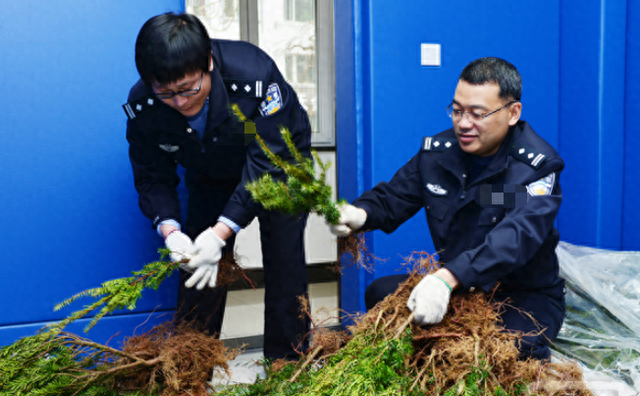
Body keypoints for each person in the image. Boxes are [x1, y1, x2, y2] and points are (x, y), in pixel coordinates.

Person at [330, 57, 565, 360]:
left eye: (477, 114)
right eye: (457, 110)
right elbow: (395, 196)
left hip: (521, 294)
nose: (463, 123)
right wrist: (360, 214)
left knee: (507, 350)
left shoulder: (535, 167)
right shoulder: (439, 154)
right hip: (460, 287)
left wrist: (446, 278)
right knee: (381, 294)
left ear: (512, 113)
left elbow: (514, 237)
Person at [123, 12, 312, 360]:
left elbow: (266, 163)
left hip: (281, 162)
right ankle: (191, 372)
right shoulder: (144, 106)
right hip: (211, 167)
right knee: (197, 263)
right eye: (166, 93)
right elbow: (152, 175)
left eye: (188, 89)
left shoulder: (255, 78)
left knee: (285, 260)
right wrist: (170, 231)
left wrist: (221, 232)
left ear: (208, 62)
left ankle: (287, 370)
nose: (180, 102)